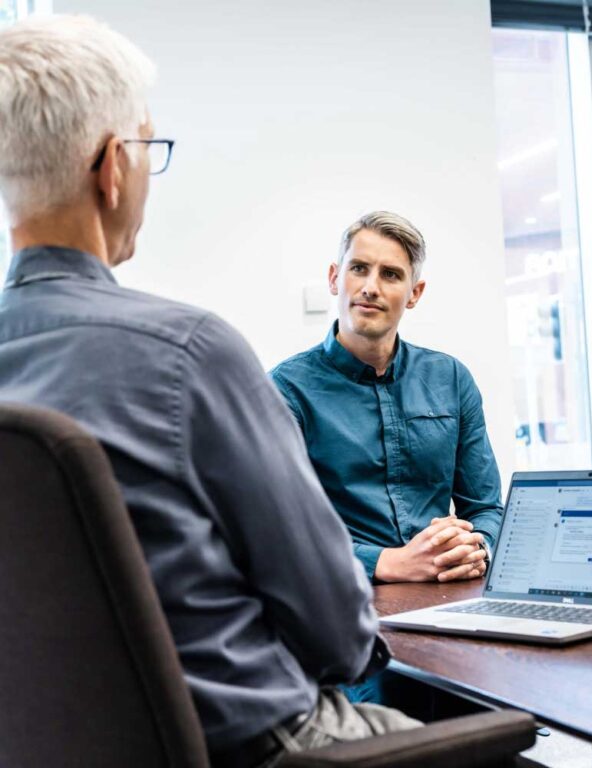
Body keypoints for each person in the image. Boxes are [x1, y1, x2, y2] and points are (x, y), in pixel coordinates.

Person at [0, 17, 424, 768]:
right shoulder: (189, 354)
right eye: (147, 149)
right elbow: (336, 625)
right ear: (111, 168)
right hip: (256, 744)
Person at [270, 211, 503, 587]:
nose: (370, 287)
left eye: (391, 274)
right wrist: (388, 562)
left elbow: (486, 507)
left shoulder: (452, 379)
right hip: (342, 597)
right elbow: (278, 527)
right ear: (334, 278)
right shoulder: (286, 390)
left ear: (415, 293)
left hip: (450, 593)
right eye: (359, 268)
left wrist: (477, 549)